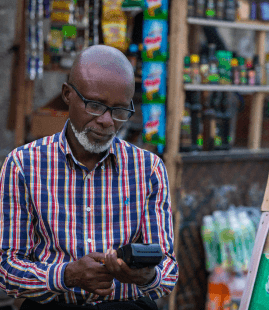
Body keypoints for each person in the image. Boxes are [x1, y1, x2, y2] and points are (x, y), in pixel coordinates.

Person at [0, 45, 178, 310]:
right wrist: (66, 275)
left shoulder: (148, 169)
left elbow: (167, 270)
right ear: (67, 95)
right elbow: (6, 270)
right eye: (95, 105)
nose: (107, 121)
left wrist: (148, 276)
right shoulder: (23, 165)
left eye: (119, 111)